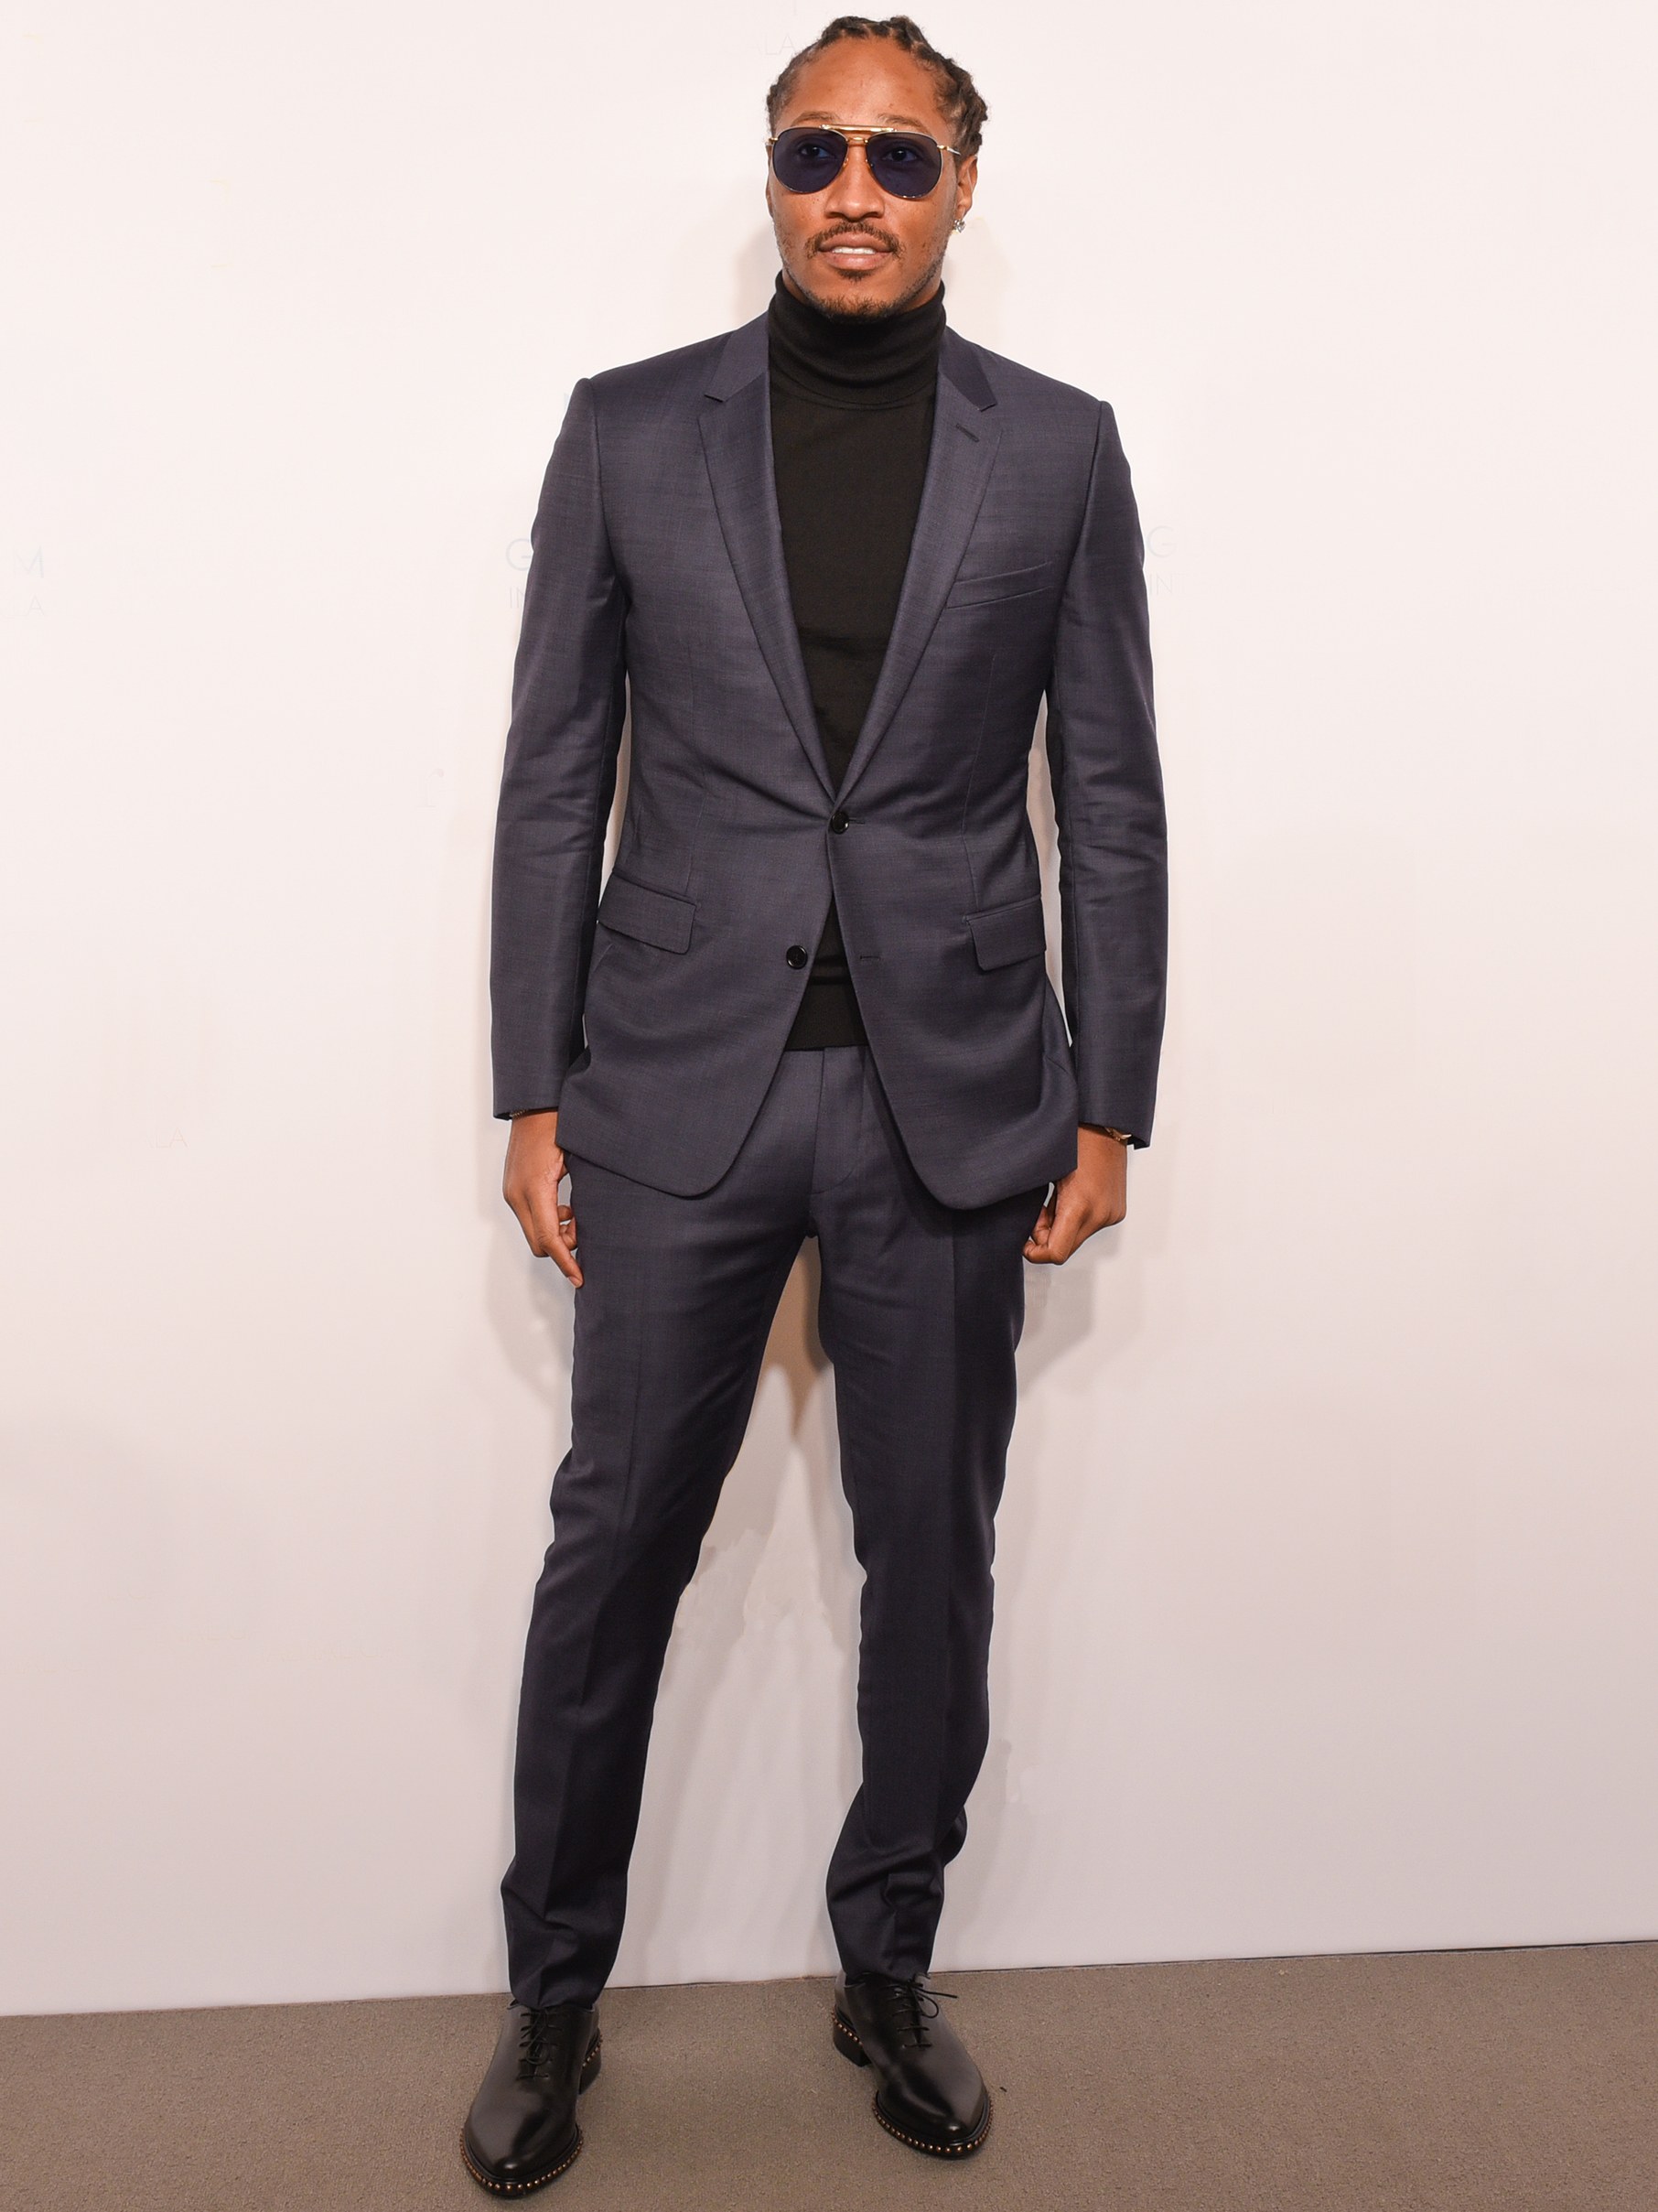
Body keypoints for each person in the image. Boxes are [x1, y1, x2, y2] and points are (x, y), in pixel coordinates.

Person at [461, 13, 1167, 2194]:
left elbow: (1110, 794)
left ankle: (891, 1962)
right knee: (615, 1553)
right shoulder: (626, 430)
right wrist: (531, 1091)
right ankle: (552, 1993)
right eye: (813, 151)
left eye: (898, 155)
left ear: (962, 183)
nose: (853, 192)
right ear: (770, 174)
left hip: (955, 1096)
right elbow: (556, 775)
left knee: (928, 1562)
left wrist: (1112, 1102)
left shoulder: (1058, 450)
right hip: (673, 1089)